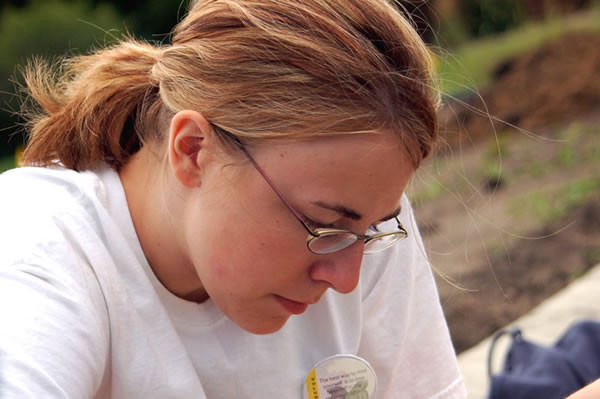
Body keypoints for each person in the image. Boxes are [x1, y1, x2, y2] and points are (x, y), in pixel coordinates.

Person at [0, 0, 467, 397]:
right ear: (193, 150)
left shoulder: (355, 213)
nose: (347, 280)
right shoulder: (35, 255)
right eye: (321, 226)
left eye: (372, 231)